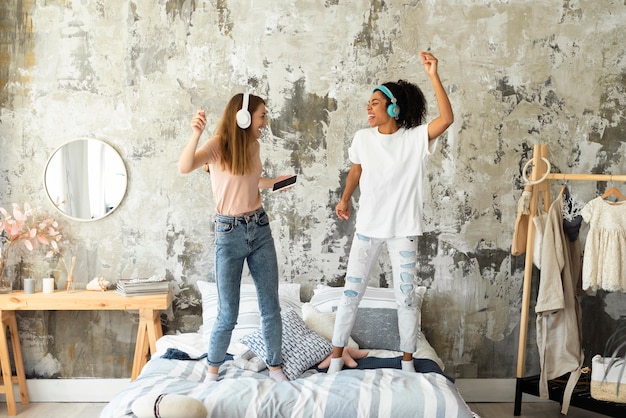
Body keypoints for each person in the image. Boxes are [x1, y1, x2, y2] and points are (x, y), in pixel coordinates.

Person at [328, 51, 454, 373]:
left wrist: (433, 75)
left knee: (406, 299)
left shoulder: (414, 140)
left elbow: (447, 120)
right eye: (368, 103)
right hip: (367, 228)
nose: (368, 107)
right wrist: (345, 200)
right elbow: (356, 171)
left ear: (393, 107)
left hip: (403, 231)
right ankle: (335, 358)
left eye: (374, 102)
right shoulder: (363, 139)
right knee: (350, 295)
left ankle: (408, 361)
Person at [178, 93, 293, 383]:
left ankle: (275, 367)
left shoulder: (253, 145)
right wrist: (196, 134)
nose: (265, 122)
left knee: (271, 307)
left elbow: (250, 181)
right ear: (243, 117)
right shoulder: (217, 146)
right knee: (228, 312)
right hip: (229, 233)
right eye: (262, 116)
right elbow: (185, 166)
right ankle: (213, 370)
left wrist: (275, 184)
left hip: (260, 227)